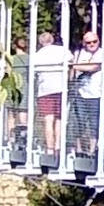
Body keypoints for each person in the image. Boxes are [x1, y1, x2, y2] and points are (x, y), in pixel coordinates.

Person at [31, 25, 71, 155]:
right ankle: (58, 146)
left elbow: (35, 72)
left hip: (45, 90)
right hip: (60, 88)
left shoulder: (37, 55)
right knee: (59, 119)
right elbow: (70, 61)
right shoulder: (61, 50)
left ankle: (50, 148)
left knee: (48, 119)